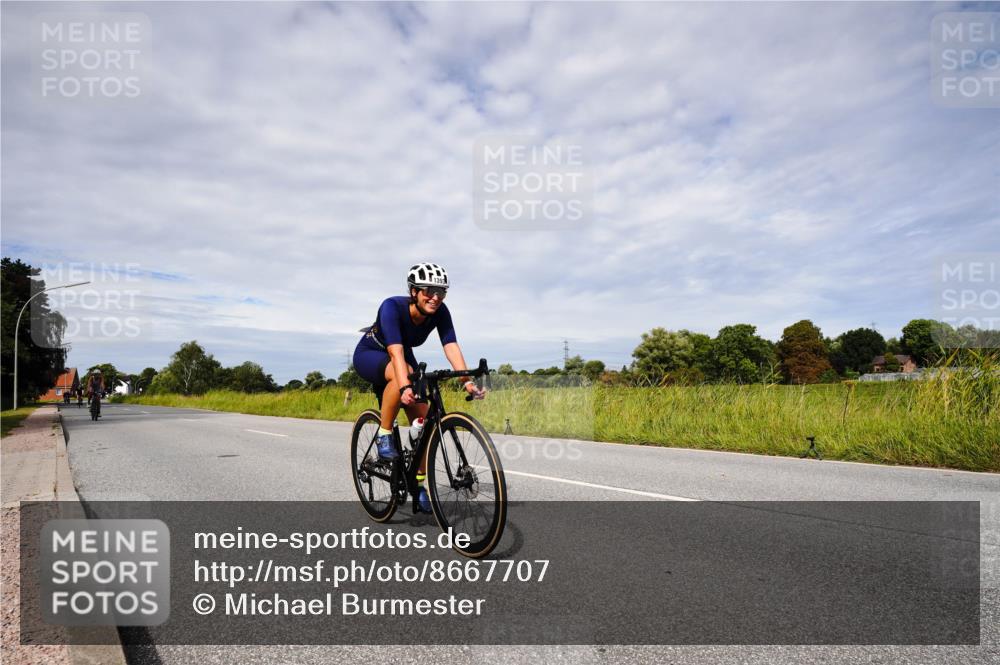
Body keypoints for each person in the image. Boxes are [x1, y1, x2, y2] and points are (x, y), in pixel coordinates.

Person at [353, 263, 484, 512]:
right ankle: (384, 434)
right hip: (372, 353)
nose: (436, 297)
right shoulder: (391, 306)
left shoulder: (440, 311)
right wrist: (404, 386)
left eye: (442, 292)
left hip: (404, 355)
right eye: (429, 291)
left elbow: (451, 346)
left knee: (424, 422)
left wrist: (466, 381)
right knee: (404, 376)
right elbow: (395, 351)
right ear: (414, 291)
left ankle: (419, 484)